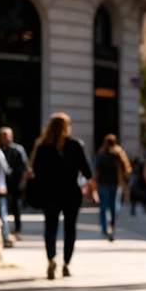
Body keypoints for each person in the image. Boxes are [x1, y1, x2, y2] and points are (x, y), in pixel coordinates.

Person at [29, 112, 92, 279]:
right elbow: (87, 171)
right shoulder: (75, 145)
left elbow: (36, 171)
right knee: (70, 229)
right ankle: (66, 264)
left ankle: (51, 259)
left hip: (50, 193)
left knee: (50, 228)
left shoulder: (42, 147)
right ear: (67, 127)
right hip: (71, 193)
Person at [93, 134, 131, 241]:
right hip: (115, 183)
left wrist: (94, 183)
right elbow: (127, 169)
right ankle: (112, 226)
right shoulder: (119, 153)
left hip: (103, 183)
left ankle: (104, 228)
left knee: (103, 206)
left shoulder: (101, 154)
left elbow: (96, 170)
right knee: (113, 206)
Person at [0, 127, 28, 239]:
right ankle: (3, 231)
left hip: (15, 183)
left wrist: (23, 182)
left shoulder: (18, 149)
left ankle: (17, 230)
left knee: (16, 207)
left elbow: (25, 167)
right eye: (3, 136)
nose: (5, 138)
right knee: (1, 207)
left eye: (7, 135)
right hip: (1, 183)